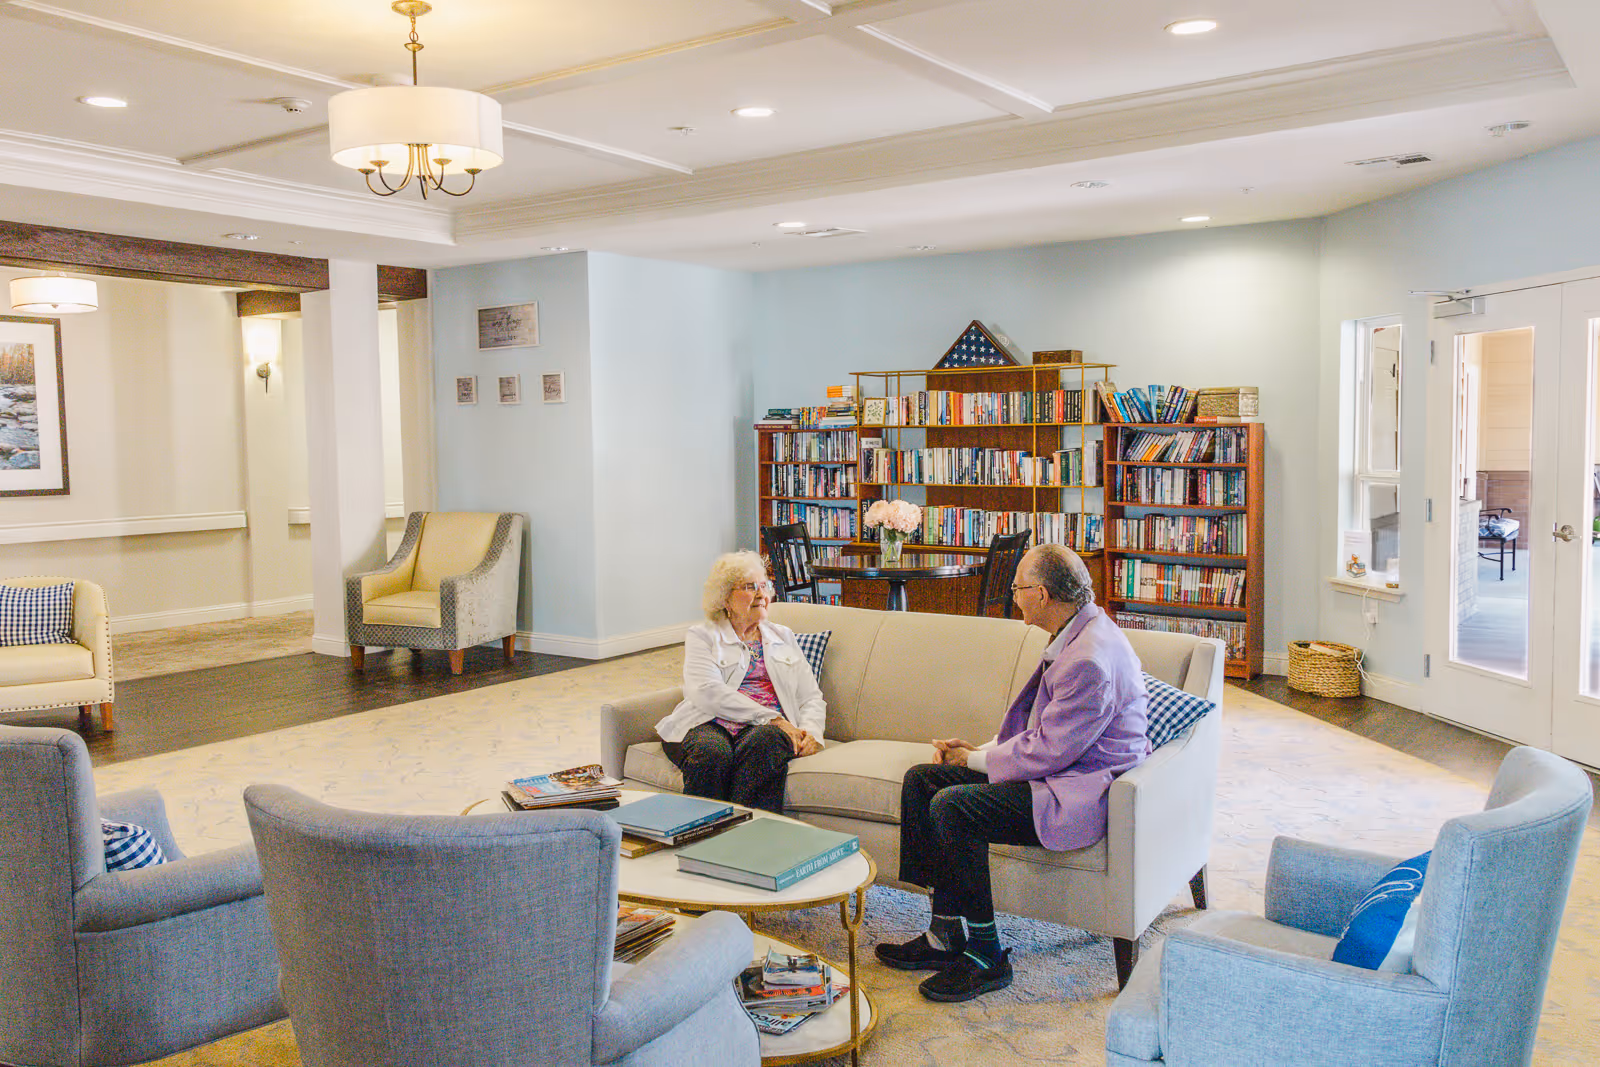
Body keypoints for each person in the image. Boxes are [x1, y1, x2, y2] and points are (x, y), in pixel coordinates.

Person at [874, 543, 1149, 1002]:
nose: (1013, 593)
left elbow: (1050, 750)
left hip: (1077, 790)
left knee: (953, 806)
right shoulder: (1079, 631)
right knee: (923, 780)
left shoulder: (1089, 658)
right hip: (1060, 768)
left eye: (1018, 587)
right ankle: (945, 935)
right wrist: (981, 751)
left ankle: (986, 955)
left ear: (1041, 594)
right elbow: (1049, 731)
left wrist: (975, 761)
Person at [655, 551, 827, 813]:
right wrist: (771, 717)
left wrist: (811, 733)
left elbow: (810, 696)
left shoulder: (783, 636)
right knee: (712, 754)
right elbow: (706, 692)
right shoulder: (703, 636)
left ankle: (750, 839)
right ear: (724, 597)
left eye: (764, 585)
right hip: (710, 722)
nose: (761, 594)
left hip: (762, 731)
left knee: (768, 741)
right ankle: (699, 839)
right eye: (749, 587)